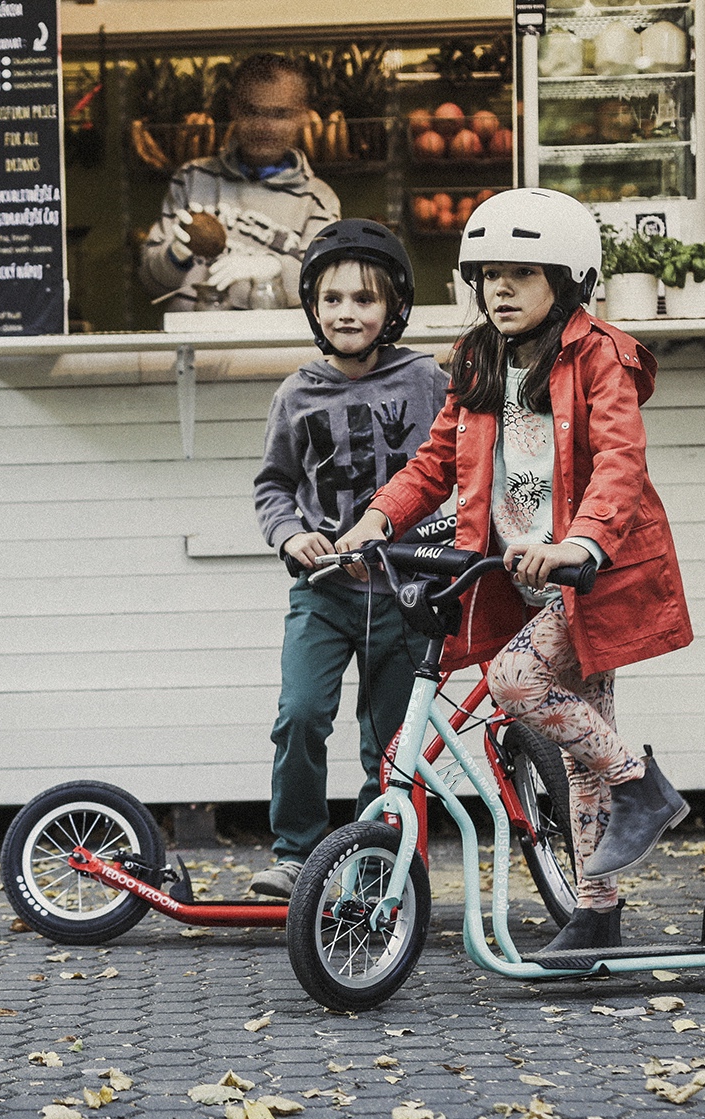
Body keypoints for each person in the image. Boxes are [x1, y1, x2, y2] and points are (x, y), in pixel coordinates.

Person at [334, 188, 694, 951]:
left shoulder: (602, 356)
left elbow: (621, 466)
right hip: (522, 576)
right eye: (489, 273)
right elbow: (434, 461)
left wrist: (581, 544)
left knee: (513, 682)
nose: (500, 288)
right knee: (575, 752)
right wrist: (377, 517)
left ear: (565, 281)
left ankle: (643, 786)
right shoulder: (479, 357)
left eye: (521, 273)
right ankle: (598, 913)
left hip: (592, 572)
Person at [248, 219, 448, 899]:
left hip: (406, 594)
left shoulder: (425, 379)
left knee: (391, 743)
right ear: (313, 307)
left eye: (364, 299)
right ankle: (297, 852)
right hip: (324, 591)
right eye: (332, 299)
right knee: (300, 714)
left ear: (393, 307)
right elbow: (274, 484)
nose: (347, 313)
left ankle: (379, 862)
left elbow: (454, 468)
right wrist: (289, 537)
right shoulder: (295, 392)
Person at [139, 53, 340, 313]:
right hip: (194, 343)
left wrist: (275, 268)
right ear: (234, 108)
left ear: (302, 116)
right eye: (252, 111)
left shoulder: (318, 199)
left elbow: (325, 288)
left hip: (271, 348)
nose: (264, 126)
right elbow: (151, 283)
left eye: (279, 114)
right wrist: (175, 255)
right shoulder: (192, 179)